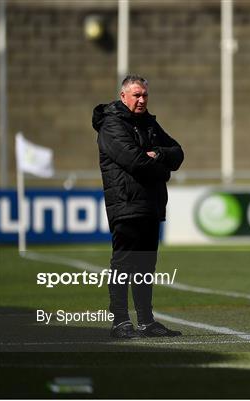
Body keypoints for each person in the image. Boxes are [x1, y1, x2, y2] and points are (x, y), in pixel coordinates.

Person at [92, 75, 184, 339]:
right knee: (123, 264)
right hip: (126, 203)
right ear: (123, 96)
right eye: (137, 95)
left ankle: (146, 321)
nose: (142, 99)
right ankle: (120, 321)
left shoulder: (150, 124)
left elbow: (178, 152)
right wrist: (163, 170)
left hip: (150, 203)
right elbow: (134, 162)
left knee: (146, 266)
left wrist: (160, 155)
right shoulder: (111, 125)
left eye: (145, 95)